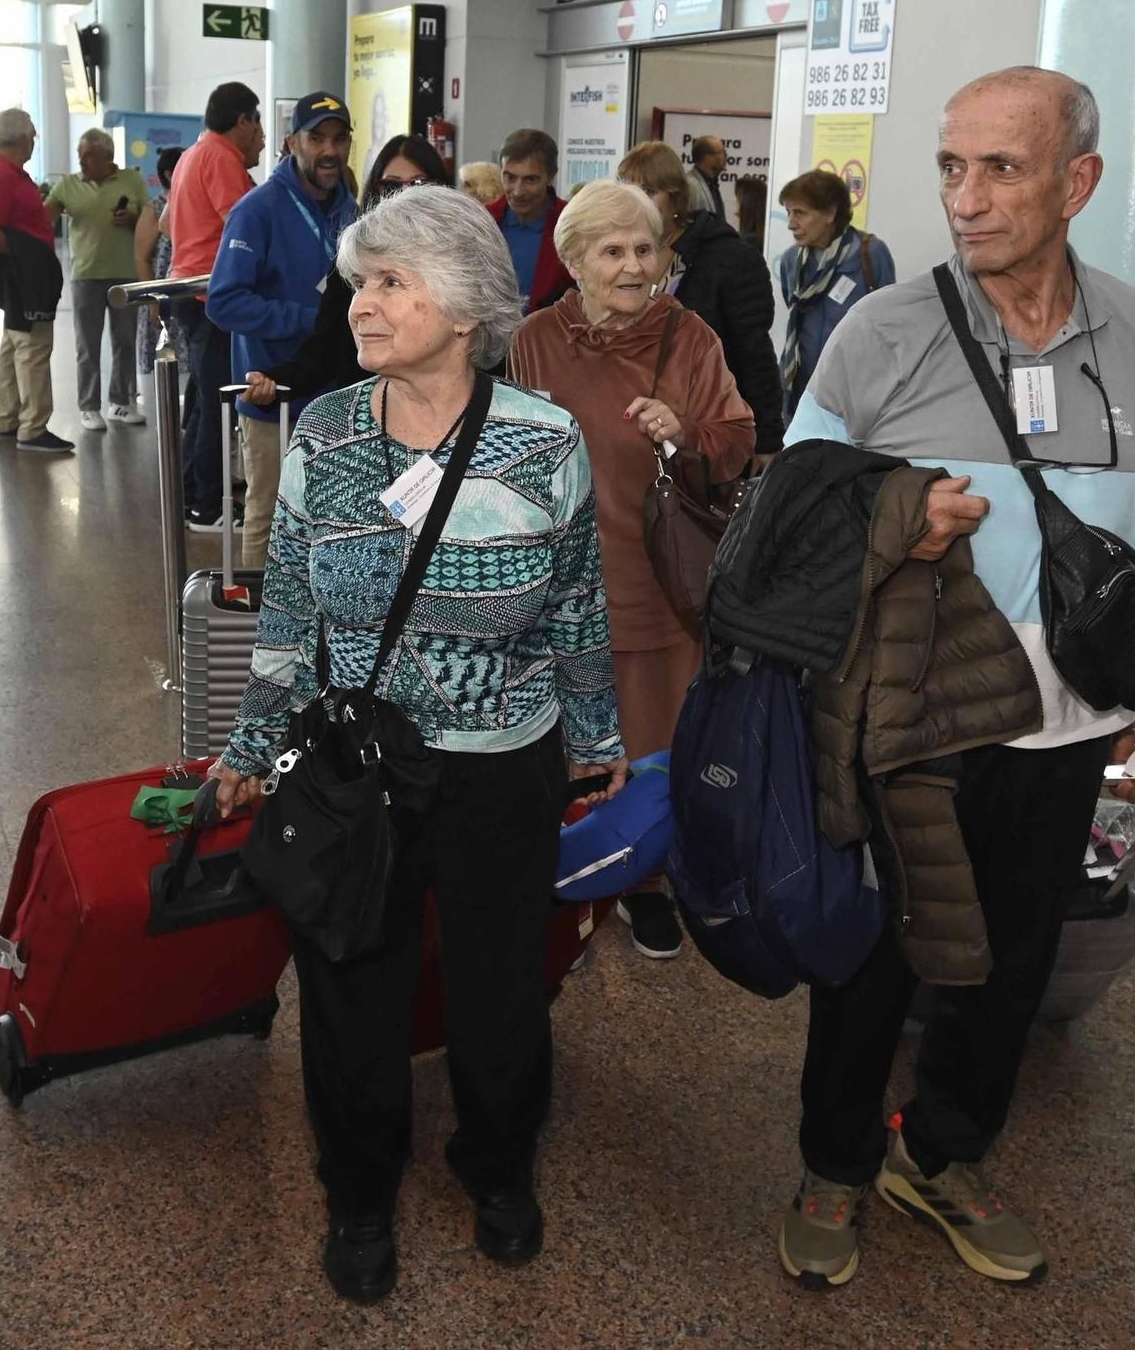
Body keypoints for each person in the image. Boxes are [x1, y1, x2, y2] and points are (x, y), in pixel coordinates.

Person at [774, 67, 1135, 1291]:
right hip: (910, 713)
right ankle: (833, 1165)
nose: (964, 197)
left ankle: (942, 1155)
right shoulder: (883, 330)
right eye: (950, 166)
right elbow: (796, 516)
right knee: (878, 955)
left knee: (1012, 958)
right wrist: (895, 520)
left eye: (999, 168)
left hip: (1063, 724)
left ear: (1078, 182)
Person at [207, 185, 626, 1305]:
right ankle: (356, 1192)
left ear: (466, 303)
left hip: (504, 760)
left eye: (391, 282)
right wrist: (252, 740)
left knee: (498, 989)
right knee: (351, 985)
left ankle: (497, 1168)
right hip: (360, 765)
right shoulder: (327, 433)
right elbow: (290, 603)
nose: (363, 305)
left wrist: (595, 736)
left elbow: (578, 602)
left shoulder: (543, 443)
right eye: (361, 282)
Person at [508, 179, 754, 960]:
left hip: (654, 583)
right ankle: (562, 875)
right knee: (554, 746)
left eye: (645, 248)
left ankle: (646, 880)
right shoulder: (535, 338)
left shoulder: (691, 339)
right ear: (574, 259)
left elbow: (738, 438)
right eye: (613, 250)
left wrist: (683, 431)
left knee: (649, 739)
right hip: (551, 583)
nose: (634, 264)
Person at [206, 91, 359, 570]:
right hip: (274, 394)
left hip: (335, 393)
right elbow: (224, 301)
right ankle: (258, 631)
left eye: (339, 139)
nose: (329, 150)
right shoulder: (258, 210)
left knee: (331, 515)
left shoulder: (350, 211)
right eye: (317, 138)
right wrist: (311, 319)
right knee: (269, 513)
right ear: (292, 142)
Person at [238, 133, 451, 409]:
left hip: (446, 416)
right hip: (364, 419)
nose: (405, 196)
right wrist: (273, 382)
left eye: (419, 184)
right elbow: (323, 353)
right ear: (376, 191)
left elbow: (484, 354)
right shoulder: (351, 263)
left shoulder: (461, 266)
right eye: (391, 185)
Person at [616, 140, 783, 462]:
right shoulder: (623, 255)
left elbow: (754, 355)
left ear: (676, 197)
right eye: (629, 194)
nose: (636, 205)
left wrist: (767, 441)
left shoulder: (730, 259)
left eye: (649, 192)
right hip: (636, 429)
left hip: (708, 433)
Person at [170, 81, 267, 533]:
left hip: (187, 290)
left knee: (200, 400)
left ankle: (192, 490)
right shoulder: (222, 158)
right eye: (257, 120)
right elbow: (242, 227)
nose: (259, 132)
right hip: (213, 294)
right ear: (243, 120)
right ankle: (209, 505)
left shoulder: (193, 153)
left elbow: (173, 222)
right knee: (217, 403)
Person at [0, 107, 70, 453]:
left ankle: (8, 419)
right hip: (23, 277)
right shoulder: (1, 175)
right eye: (33, 134)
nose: (35, 140)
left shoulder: (10, 172)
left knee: (14, 345)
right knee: (33, 348)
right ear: (24, 137)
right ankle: (32, 426)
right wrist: (25, 254)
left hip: (22, 274)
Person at [47, 128, 149, 432]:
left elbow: (149, 219)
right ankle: (89, 406)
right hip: (86, 275)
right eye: (80, 154)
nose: (82, 159)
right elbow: (44, 215)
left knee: (124, 342)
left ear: (107, 155)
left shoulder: (131, 180)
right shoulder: (68, 185)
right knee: (87, 345)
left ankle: (121, 402)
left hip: (125, 276)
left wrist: (132, 220)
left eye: (89, 154)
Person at [777, 169, 896, 415]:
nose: (791, 224)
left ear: (830, 213)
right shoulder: (791, 262)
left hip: (855, 393)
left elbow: (890, 324)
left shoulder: (870, 254)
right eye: (788, 213)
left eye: (800, 213)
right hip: (802, 389)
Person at [487, 129, 574, 314]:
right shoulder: (482, 221)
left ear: (551, 177)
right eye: (509, 177)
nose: (518, 191)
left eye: (531, 180)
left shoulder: (573, 223)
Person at [133, 145, 185, 380]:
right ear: (169, 174)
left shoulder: (190, 203)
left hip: (184, 295)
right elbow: (142, 258)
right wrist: (152, 300)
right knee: (163, 367)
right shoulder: (154, 209)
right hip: (161, 296)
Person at [690, 134, 728, 225]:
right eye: (722, 152)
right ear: (708, 158)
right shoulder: (690, 186)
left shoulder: (712, 184)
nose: (726, 156)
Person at [733, 174, 767, 249]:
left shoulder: (747, 243)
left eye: (737, 197)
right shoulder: (746, 239)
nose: (734, 201)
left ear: (748, 202)